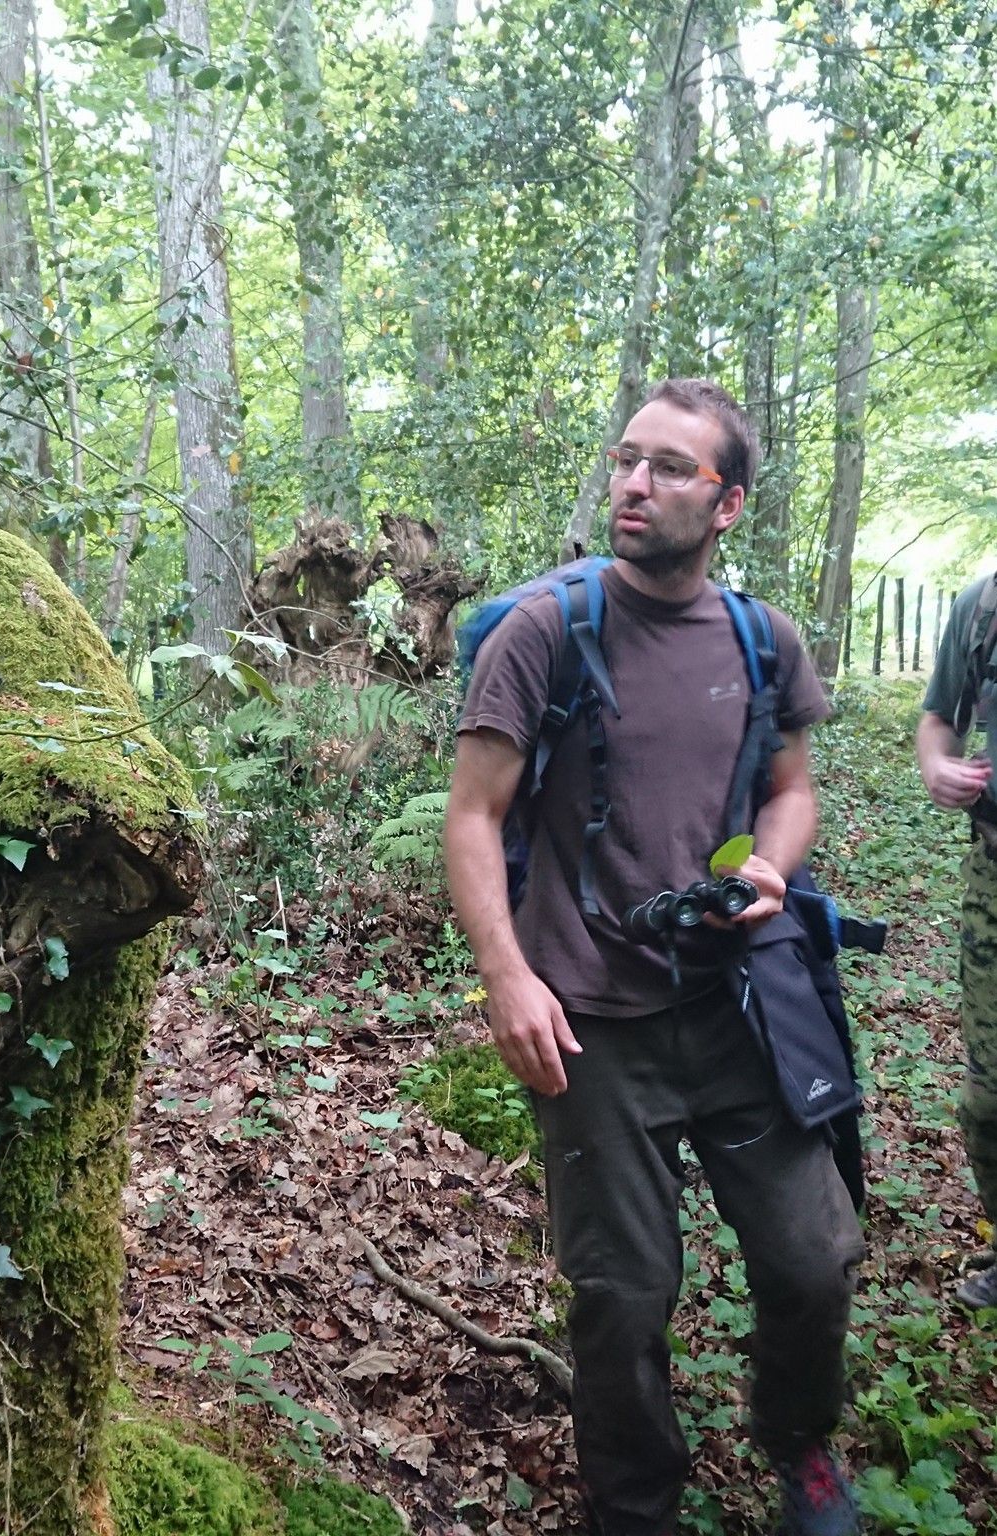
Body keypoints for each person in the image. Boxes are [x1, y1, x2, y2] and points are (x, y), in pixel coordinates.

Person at [445, 379, 863, 1536]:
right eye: (627, 459)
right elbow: (474, 814)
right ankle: (635, 1507)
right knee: (624, 1297)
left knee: (813, 1256)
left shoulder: (759, 637)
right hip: (592, 1023)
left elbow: (789, 791)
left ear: (726, 503)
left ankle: (798, 1445)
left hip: (735, 1006)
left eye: (669, 468)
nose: (634, 482)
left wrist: (771, 866)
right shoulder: (544, 631)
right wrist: (506, 976)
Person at [915, 579, 997, 1311]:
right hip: (993, 875)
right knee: (988, 1099)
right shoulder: (984, 606)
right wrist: (938, 765)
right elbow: (940, 718)